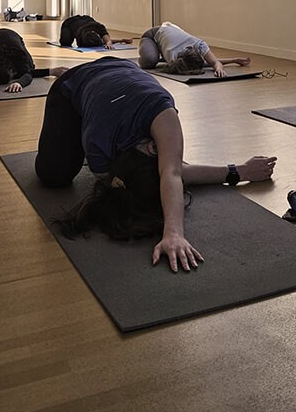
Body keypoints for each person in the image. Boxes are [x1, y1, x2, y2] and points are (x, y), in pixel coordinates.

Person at [34, 56, 277, 271]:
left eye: (158, 153)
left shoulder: (158, 118)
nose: (158, 149)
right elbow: (172, 172)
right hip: (72, 85)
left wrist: (240, 171)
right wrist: (174, 233)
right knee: (53, 176)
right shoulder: (99, 143)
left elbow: (171, 172)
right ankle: (80, 113)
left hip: (121, 76)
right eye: (158, 152)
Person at [0, 28, 67, 93]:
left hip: (12, 35)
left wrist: (19, 83)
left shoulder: (19, 55)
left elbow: (27, 74)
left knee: (29, 66)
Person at [139, 20, 251, 78]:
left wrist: (231, 62)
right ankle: (153, 50)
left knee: (157, 56)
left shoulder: (200, 45)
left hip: (171, 31)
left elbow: (213, 62)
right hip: (152, 36)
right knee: (149, 61)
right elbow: (207, 63)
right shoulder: (174, 57)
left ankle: (160, 50)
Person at [59, 14, 132, 49]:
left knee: (97, 40)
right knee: (65, 43)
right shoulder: (80, 35)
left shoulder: (98, 27)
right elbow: (104, 41)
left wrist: (122, 40)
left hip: (86, 19)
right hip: (69, 23)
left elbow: (107, 41)